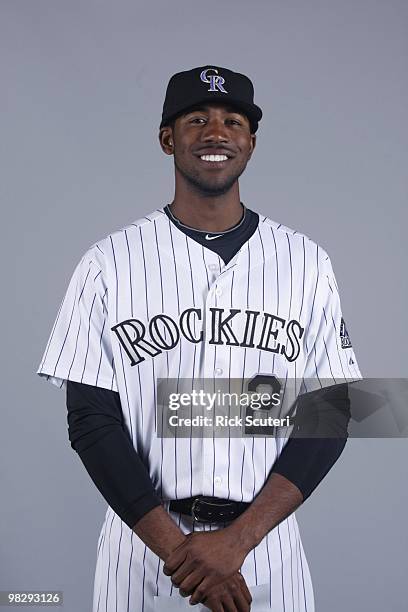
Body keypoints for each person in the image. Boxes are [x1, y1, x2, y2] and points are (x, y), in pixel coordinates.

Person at [36, 65, 362, 612]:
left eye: (233, 121)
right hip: (142, 551)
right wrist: (181, 552)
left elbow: (332, 412)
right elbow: (91, 420)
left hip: (265, 547)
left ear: (251, 142)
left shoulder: (306, 262)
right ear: (168, 138)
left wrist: (238, 541)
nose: (217, 133)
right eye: (197, 119)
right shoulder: (109, 263)